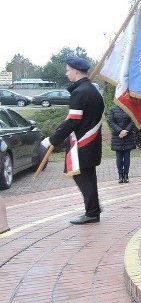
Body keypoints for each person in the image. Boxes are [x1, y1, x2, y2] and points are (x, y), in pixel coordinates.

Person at [40, 56, 106, 224]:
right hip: (91, 142)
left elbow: (73, 120)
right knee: (87, 176)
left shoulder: (80, 92)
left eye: (68, 70)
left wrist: (52, 140)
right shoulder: (92, 90)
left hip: (82, 143)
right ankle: (94, 208)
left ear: (76, 71)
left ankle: (92, 212)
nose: (66, 72)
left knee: (83, 177)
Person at [107, 103, 136, 183]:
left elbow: (133, 120)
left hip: (128, 135)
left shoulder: (130, 108)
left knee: (127, 156)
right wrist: (120, 131)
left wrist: (126, 131)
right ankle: (120, 175)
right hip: (117, 136)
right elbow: (110, 121)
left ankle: (126, 175)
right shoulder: (112, 109)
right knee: (119, 156)